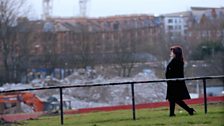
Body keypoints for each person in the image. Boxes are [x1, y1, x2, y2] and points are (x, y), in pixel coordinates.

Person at [165, 45, 196, 117]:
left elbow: (174, 72)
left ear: (175, 53)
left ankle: (174, 113)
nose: (171, 53)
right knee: (173, 99)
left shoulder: (177, 61)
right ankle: (187, 110)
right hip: (172, 82)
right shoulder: (175, 60)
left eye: (172, 52)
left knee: (174, 98)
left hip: (175, 83)